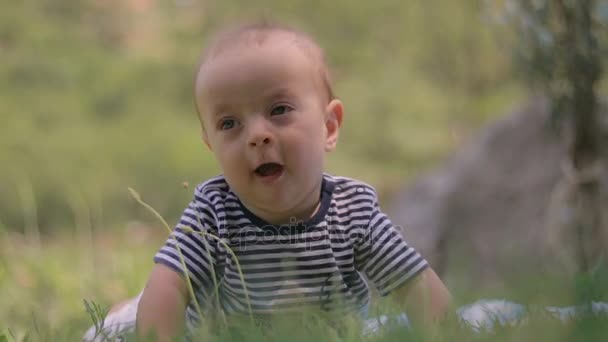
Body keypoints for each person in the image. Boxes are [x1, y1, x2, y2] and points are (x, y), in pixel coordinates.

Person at [87, 21, 452, 341]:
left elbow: (413, 281)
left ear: (329, 126)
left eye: (279, 110)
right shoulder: (215, 210)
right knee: (122, 329)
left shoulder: (352, 211)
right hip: (221, 332)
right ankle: (125, 312)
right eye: (230, 123)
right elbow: (168, 284)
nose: (257, 135)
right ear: (210, 144)